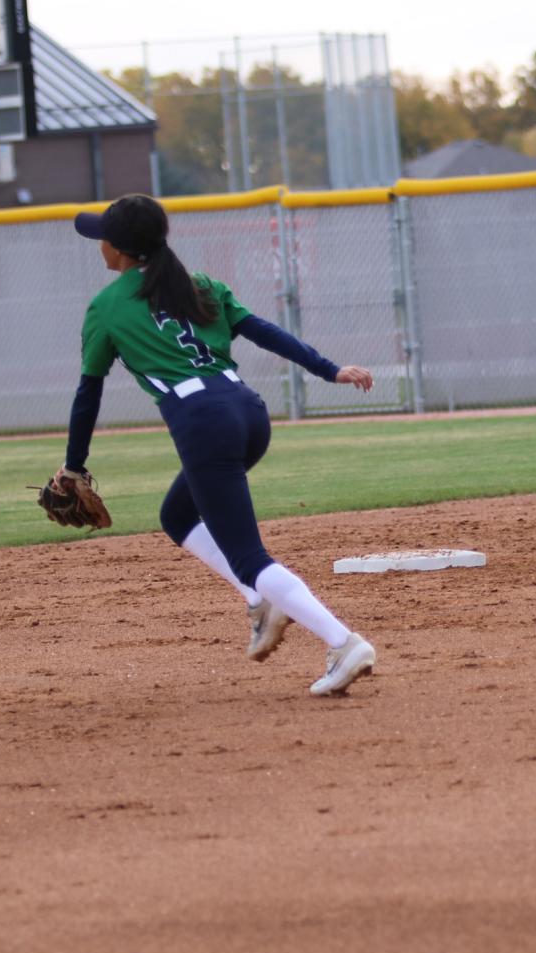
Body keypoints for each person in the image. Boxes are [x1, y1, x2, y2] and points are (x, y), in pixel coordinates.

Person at [60, 193, 381, 696]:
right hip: (247, 413)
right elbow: (263, 332)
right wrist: (329, 370)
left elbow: (88, 394)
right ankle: (260, 600)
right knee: (178, 516)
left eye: (103, 235)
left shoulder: (106, 307)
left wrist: (74, 466)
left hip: (204, 424)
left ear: (119, 250)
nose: (98, 243)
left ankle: (342, 641)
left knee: (250, 555)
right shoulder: (198, 284)